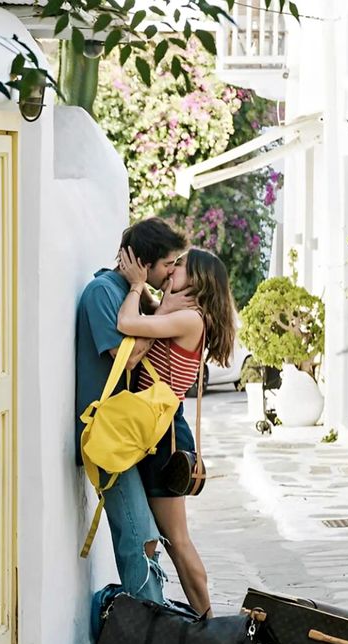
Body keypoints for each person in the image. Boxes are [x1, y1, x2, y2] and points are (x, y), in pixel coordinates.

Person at [75, 218, 195, 604]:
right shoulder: (102, 292)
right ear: (143, 264)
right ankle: (150, 623)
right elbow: (127, 357)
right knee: (138, 534)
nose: (172, 273)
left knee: (148, 539)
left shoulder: (135, 295)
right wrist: (149, 301)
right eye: (168, 264)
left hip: (132, 433)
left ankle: (154, 617)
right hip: (109, 435)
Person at [116, 245, 237, 617]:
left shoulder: (190, 319)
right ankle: (162, 618)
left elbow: (127, 323)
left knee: (177, 541)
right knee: (159, 539)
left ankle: (209, 623)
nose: (170, 271)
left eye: (179, 266)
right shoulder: (181, 314)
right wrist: (160, 300)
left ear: (197, 278)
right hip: (157, 429)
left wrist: (136, 286)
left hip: (163, 437)